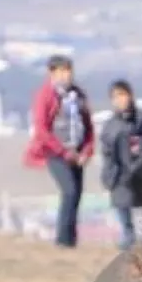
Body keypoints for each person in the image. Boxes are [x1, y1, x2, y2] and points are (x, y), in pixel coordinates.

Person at [23, 54, 95, 249]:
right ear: (52, 73)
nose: (66, 75)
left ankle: (72, 239)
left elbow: (88, 125)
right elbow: (42, 128)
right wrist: (63, 152)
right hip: (55, 152)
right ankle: (62, 240)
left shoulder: (77, 95)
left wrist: (87, 151)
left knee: (77, 194)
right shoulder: (45, 95)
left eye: (68, 71)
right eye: (62, 71)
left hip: (77, 151)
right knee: (69, 191)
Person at [99, 80, 142, 250]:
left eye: (123, 95)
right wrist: (110, 178)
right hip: (120, 181)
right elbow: (108, 155)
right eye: (116, 97)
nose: (121, 100)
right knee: (126, 228)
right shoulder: (111, 126)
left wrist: (141, 145)